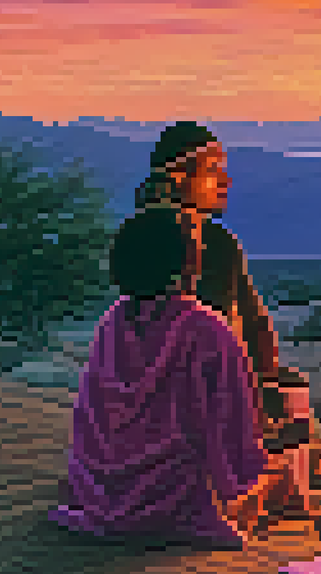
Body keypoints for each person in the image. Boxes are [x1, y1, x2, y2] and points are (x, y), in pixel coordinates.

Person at [50, 211, 265, 549]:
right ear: (185, 261)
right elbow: (234, 419)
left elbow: (91, 415)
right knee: (285, 474)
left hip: (103, 486)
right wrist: (243, 479)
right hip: (175, 489)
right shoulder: (206, 327)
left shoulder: (112, 320)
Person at [133, 121, 282, 385]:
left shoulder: (139, 235)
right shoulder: (209, 240)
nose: (225, 181)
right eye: (213, 171)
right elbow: (241, 320)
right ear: (180, 177)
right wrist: (266, 380)